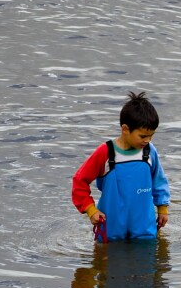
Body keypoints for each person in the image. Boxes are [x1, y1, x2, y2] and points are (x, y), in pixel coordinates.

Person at [72, 91, 171, 242]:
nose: (148, 140)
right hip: (111, 225)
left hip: (144, 225)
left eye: (151, 135)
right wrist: (91, 210)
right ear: (125, 129)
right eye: (143, 136)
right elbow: (80, 181)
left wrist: (162, 209)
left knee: (147, 262)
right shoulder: (106, 152)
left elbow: (159, 181)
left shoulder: (149, 151)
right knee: (106, 261)